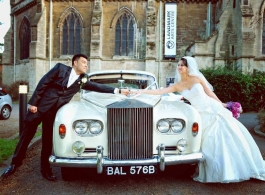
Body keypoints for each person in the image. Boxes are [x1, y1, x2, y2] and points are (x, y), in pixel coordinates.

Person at [132, 56, 265, 183]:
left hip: (213, 109)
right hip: (200, 113)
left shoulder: (197, 78)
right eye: (179, 65)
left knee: (225, 137)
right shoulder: (178, 85)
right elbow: (160, 92)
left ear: (188, 67)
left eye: (182, 65)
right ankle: (219, 171)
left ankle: (236, 168)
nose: (180, 67)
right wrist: (140, 92)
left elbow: (209, 93)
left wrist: (222, 104)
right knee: (208, 142)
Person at [0, 54, 129, 182]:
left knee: (48, 142)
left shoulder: (82, 80)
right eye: (84, 62)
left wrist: (117, 91)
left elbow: (98, 87)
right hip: (39, 108)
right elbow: (43, 83)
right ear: (75, 62)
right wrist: (33, 103)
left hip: (54, 114)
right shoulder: (60, 68)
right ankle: (14, 164)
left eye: (87, 63)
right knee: (26, 136)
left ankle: (45, 170)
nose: (86, 65)